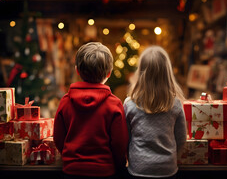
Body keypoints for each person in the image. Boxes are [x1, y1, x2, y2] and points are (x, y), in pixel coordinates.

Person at [54, 42, 129, 179]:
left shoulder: (65, 101)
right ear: (109, 73)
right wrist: (119, 165)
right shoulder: (114, 104)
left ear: (77, 70)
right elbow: (119, 143)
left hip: (71, 170)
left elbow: (58, 138)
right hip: (104, 171)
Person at [124, 45, 187, 179]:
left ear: (140, 73)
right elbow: (181, 139)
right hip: (167, 168)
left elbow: (126, 138)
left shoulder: (129, 104)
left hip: (138, 168)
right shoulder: (175, 104)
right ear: (167, 73)